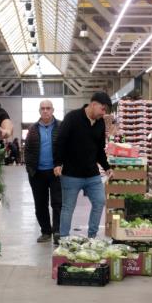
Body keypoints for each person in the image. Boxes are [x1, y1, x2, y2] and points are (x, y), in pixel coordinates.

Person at [55, 92, 112, 239]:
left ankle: (92, 237)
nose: (104, 113)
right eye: (103, 109)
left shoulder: (100, 123)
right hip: (71, 175)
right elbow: (60, 141)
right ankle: (64, 238)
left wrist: (107, 167)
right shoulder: (72, 118)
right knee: (68, 207)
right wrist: (58, 163)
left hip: (92, 174)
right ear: (94, 104)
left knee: (100, 202)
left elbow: (100, 149)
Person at [24, 100, 62, 242]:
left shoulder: (60, 126)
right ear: (39, 111)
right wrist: (30, 169)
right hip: (37, 173)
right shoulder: (33, 128)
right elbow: (27, 150)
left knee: (57, 203)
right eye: (42, 108)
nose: (45, 111)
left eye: (48, 108)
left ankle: (57, 231)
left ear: (53, 110)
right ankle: (46, 231)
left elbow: (66, 147)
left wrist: (62, 165)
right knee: (40, 204)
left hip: (56, 172)